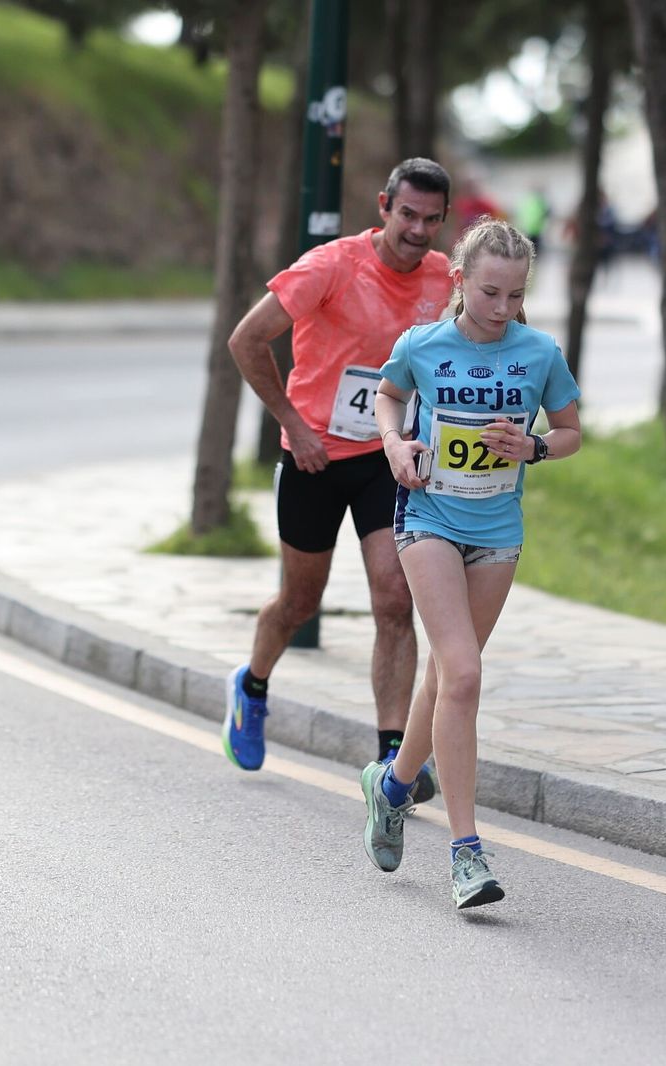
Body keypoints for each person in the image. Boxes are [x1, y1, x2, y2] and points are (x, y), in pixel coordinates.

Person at [361, 218, 581, 909]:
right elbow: (388, 397)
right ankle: (466, 853)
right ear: (459, 281)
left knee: (448, 677)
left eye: (515, 295)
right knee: (465, 673)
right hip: (427, 518)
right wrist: (396, 447)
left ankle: (393, 788)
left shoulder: (539, 352)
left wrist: (536, 447)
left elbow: (572, 431)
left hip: (498, 532)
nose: (502, 308)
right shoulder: (422, 346)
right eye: (490, 292)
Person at [222, 158, 455, 792]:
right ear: (384, 206)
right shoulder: (331, 266)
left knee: (393, 599)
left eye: (431, 220)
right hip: (314, 458)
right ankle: (252, 685)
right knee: (300, 602)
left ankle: (392, 760)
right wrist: (292, 423)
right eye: (407, 214)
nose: (417, 231)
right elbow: (246, 339)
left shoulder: (444, 278)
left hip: (387, 459)